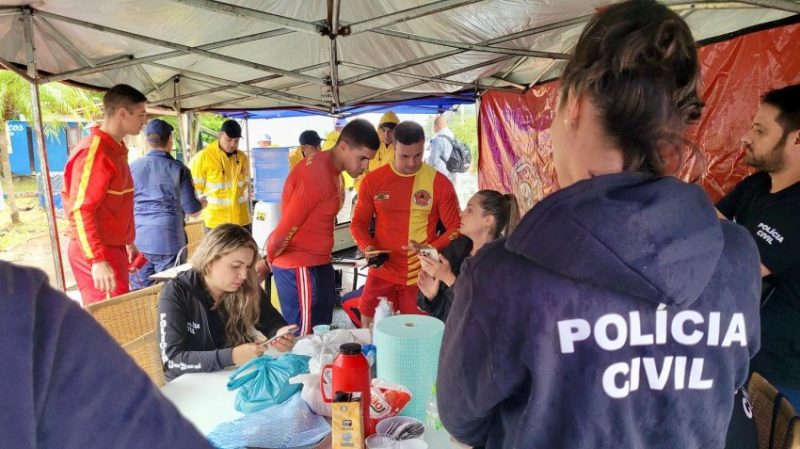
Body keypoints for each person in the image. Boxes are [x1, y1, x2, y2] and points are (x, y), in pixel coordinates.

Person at [437, 2, 762, 448]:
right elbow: (728, 385)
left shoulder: (501, 275)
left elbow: (463, 419)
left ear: (576, 104)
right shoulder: (737, 254)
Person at [0, 260, 215, 449]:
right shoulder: (28, 309)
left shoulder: (31, 308)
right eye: (236, 266)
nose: (243, 275)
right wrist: (97, 258)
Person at [717, 83, 800, 407]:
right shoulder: (757, 184)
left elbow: (732, 272)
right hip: (742, 358)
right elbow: (701, 226)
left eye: (760, 130)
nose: (745, 137)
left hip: (781, 377)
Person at [266, 119, 380, 336]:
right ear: (343, 146)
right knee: (304, 340)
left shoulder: (333, 172)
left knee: (322, 337)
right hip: (300, 266)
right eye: (362, 158)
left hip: (318, 263)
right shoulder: (317, 175)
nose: (365, 167)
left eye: (369, 160)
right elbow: (281, 235)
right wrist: (268, 261)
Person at [351, 121, 461, 328]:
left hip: (420, 276)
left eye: (418, 155)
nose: (412, 163)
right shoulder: (373, 181)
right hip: (382, 272)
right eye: (404, 156)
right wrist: (369, 248)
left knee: (418, 339)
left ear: (425, 146)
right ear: (394, 147)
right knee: (370, 333)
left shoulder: (439, 183)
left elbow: (456, 227)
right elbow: (358, 224)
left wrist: (431, 248)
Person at [158, 224, 296, 381]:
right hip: (191, 386)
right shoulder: (177, 292)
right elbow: (172, 362)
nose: (243, 275)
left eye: (248, 267)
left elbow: (272, 322)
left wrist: (279, 334)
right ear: (210, 261)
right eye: (236, 266)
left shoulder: (246, 285)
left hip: (234, 377)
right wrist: (232, 356)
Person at [62, 84, 147, 304]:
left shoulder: (116, 150)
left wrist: (128, 241)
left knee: (120, 314)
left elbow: (114, 204)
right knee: (110, 319)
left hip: (113, 247)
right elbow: (80, 210)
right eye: (141, 114)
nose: (144, 120)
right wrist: (97, 259)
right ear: (122, 113)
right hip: (96, 250)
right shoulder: (95, 152)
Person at [417, 190, 519, 321]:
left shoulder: (501, 263)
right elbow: (440, 309)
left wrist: (449, 279)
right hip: (446, 336)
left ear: (488, 220)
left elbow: (480, 314)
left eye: (470, 210)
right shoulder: (457, 248)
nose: (461, 214)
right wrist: (430, 297)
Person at [129, 119, 203, 289]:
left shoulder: (132, 167)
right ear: (170, 139)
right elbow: (192, 209)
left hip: (139, 239)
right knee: (171, 290)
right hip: (168, 239)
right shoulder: (179, 169)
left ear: (147, 141)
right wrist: (202, 203)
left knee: (140, 292)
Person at [190, 120, 251, 232]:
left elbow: (245, 186)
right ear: (220, 135)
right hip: (215, 222)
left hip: (241, 220)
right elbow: (193, 192)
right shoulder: (203, 157)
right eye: (229, 139)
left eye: (236, 141)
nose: (233, 144)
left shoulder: (243, 158)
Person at [353, 111, 399, 192]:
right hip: (369, 193)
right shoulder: (372, 147)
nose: (386, 135)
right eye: (383, 130)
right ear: (378, 130)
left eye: (391, 131)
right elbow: (363, 172)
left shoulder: (402, 151)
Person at [426, 114, 458, 182]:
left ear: (436, 127)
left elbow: (432, 161)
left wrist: (425, 162)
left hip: (440, 174)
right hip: (452, 172)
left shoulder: (438, 139)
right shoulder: (452, 135)